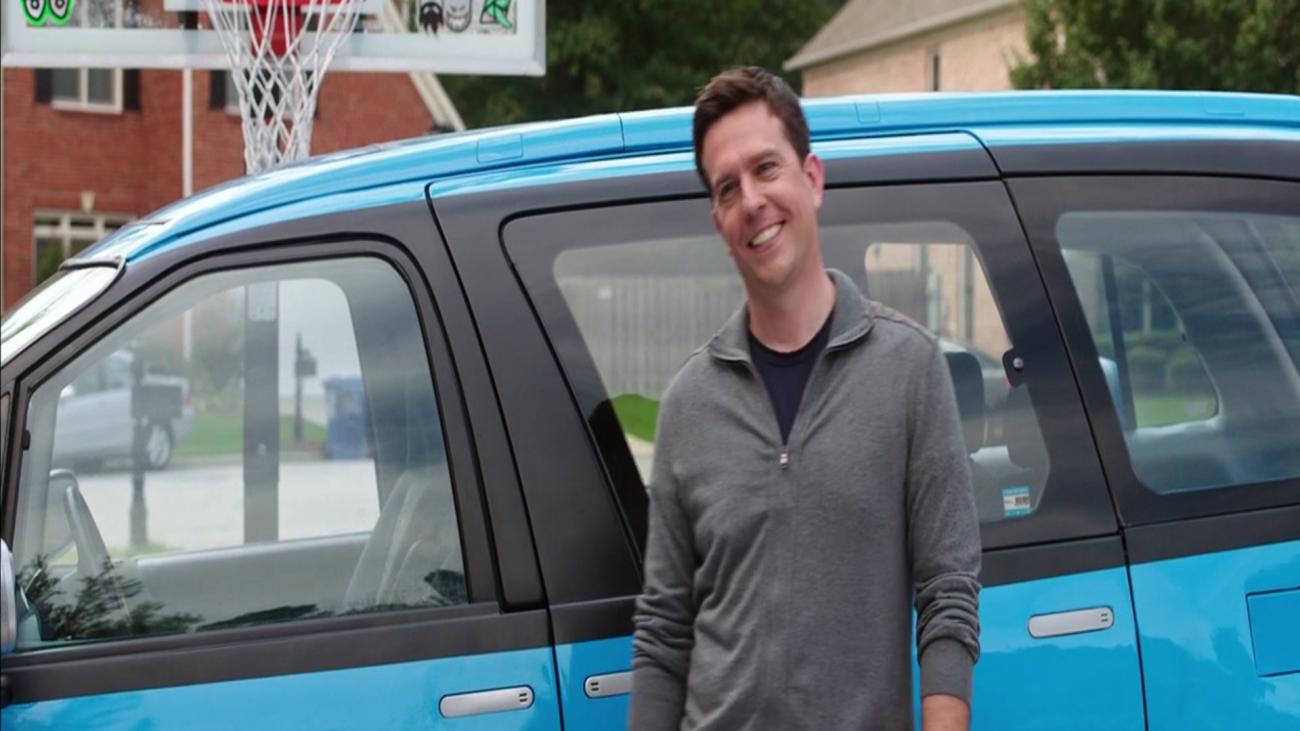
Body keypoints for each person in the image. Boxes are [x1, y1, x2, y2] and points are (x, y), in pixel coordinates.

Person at [629, 66, 981, 730]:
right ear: (718, 220)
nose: (751, 200)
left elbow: (948, 593)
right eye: (728, 187)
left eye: (767, 168)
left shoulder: (908, 369)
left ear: (812, 179)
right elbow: (664, 630)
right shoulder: (688, 403)